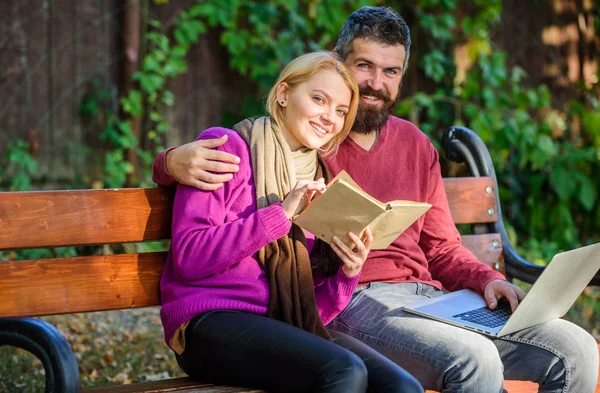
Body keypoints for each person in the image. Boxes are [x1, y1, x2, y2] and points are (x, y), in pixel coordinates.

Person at [153, 7, 600, 393]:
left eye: (391, 72)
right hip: (356, 304)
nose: (375, 84)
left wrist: (485, 278)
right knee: (474, 358)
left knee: (576, 348)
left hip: (427, 299)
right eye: (364, 66)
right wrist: (169, 162)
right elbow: (235, 161)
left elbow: (441, 248)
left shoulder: (408, 145)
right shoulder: (312, 143)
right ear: (338, 62)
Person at [159, 51, 423, 393]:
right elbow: (190, 258)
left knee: (402, 386)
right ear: (283, 94)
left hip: (282, 324)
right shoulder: (228, 151)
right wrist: (280, 214)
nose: (330, 117)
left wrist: (348, 271)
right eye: (319, 99)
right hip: (209, 322)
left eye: (341, 111)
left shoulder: (323, 181)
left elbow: (312, 310)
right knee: (344, 371)